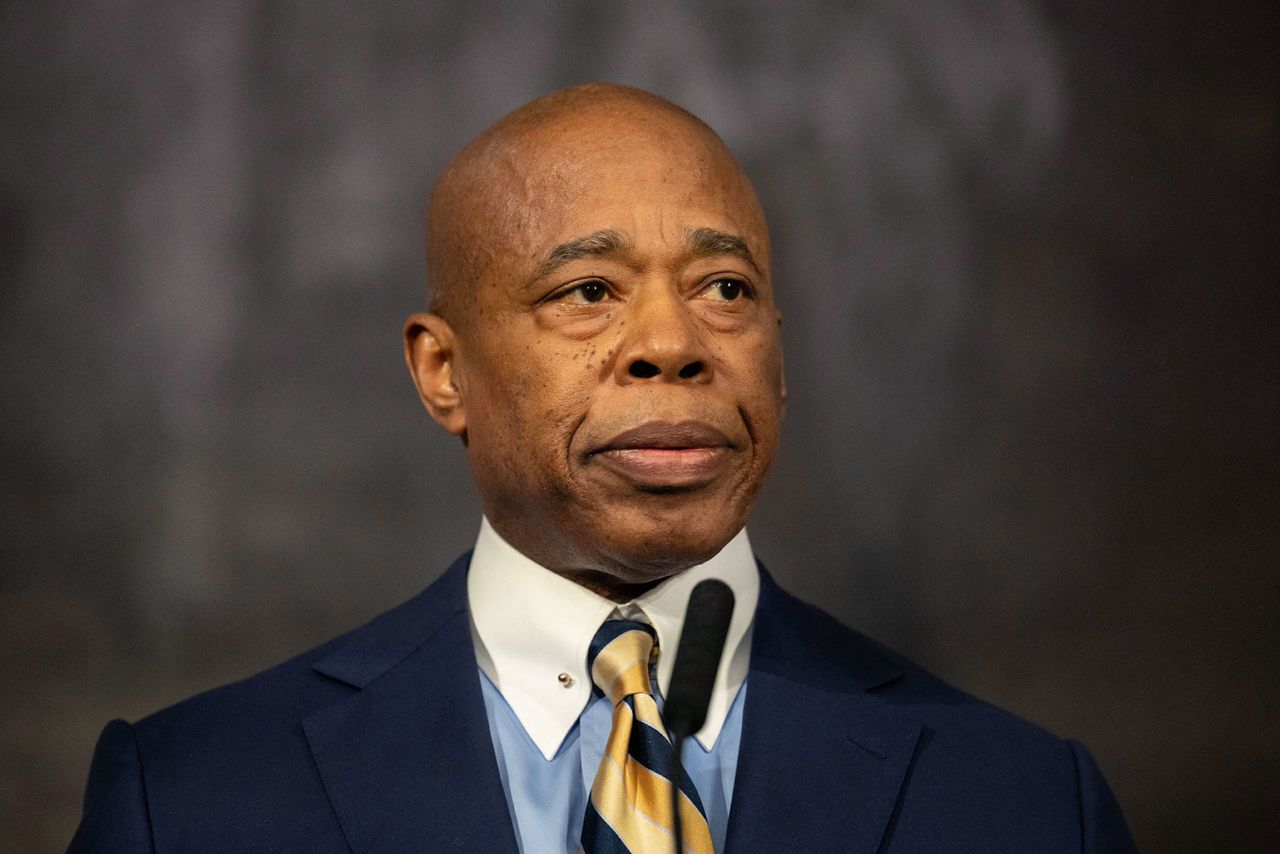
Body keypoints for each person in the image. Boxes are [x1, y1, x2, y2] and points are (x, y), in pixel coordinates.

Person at [70, 83, 1137, 853]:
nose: (671, 341)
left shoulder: (1028, 803)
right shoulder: (189, 799)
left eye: (724, 288)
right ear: (443, 371)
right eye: (587, 291)